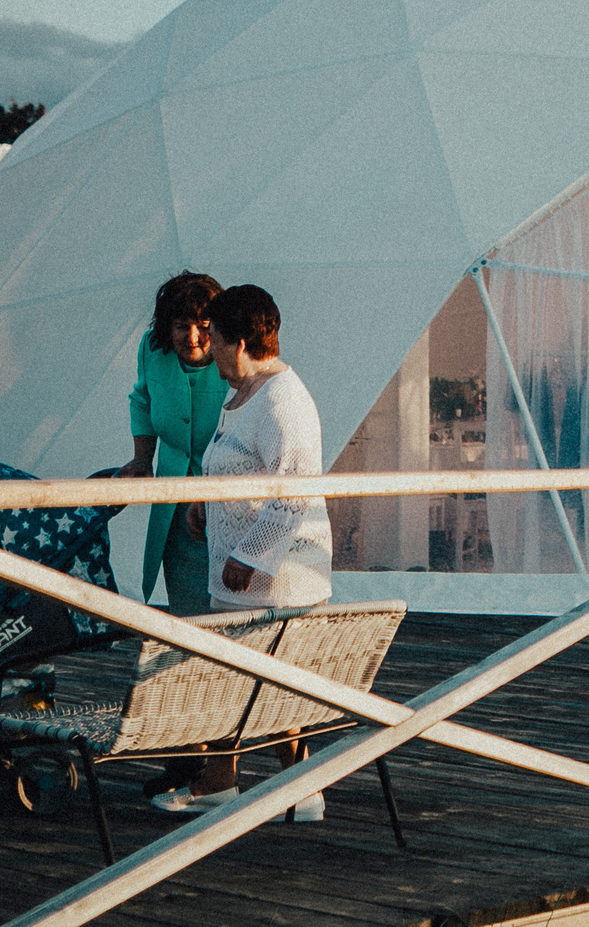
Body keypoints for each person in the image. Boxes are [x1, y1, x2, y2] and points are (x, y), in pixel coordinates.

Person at [155, 283, 331, 819]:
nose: (207, 350)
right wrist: (208, 506)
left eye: (214, 338)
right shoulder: (249, 395)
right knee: (240, 682)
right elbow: (241, 469)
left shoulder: (283, 401)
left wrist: (250, 555)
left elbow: (295, 491)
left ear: (238, 342)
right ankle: (230, 782)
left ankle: (299, 788)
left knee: (264, 686)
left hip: (274, 579)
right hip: (241, 578)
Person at [118, 272, 228, 614]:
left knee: (230, 593)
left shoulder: (237, 354)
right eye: (181, 326)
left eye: (204, 325)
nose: (193, 337)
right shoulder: (152, 349)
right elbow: (142, 400)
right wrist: (141, 460)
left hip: (227, 493)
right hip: (174, 492)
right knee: (188, 599)